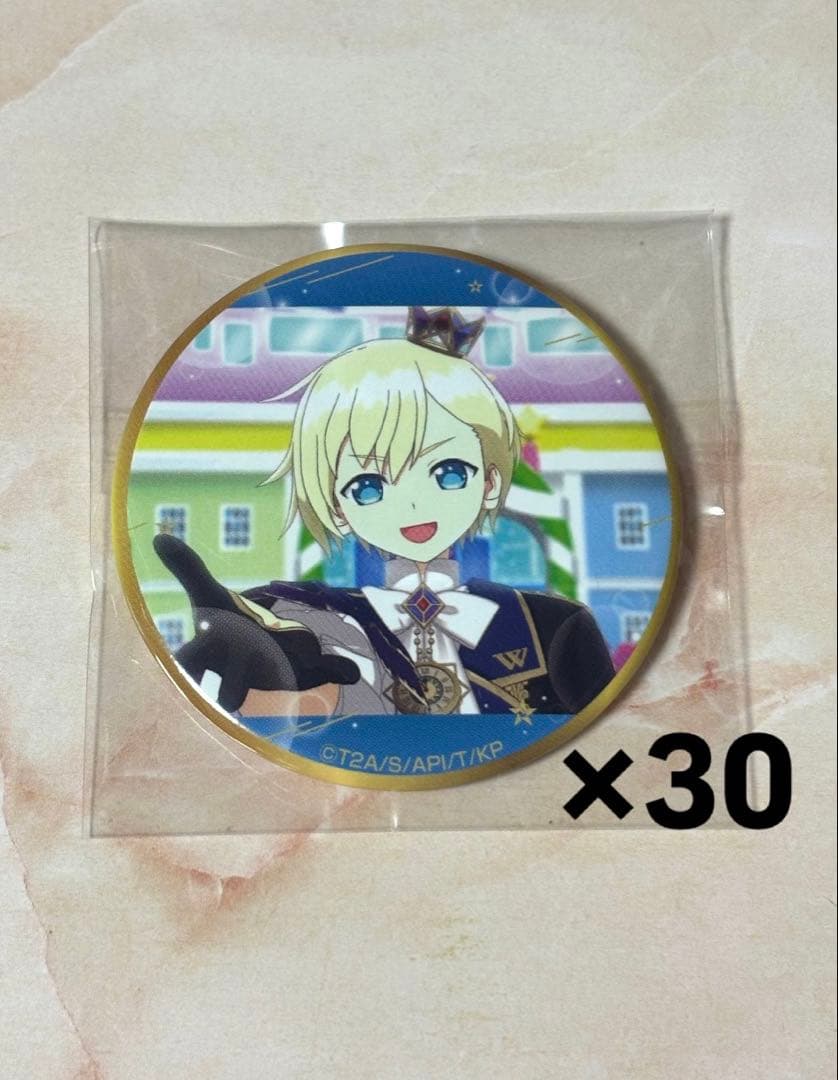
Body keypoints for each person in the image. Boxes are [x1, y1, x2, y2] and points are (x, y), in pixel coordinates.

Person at [153, 306, 615, 719]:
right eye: (369, 486)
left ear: (490, 483)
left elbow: (607, 742)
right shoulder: (305, 623)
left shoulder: (554, 630)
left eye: (448, 472)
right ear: (338, 507)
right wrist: (249, 681)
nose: (413, 503)